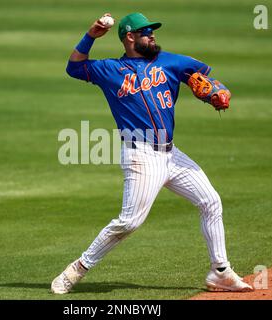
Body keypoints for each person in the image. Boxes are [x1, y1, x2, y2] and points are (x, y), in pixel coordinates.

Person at [51, 12, 253, 294]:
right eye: (146, 32)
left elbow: (203, 78)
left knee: (211, 201)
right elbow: (73, 67)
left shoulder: (170, 61)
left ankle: (220, 271)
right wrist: (91, 36)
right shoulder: (110, 70)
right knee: (129, 222)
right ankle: (78, 268)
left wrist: (213, 93)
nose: (152, 35)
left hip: (172, 155)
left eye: (153, 31)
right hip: (141, 155)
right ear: (130, 37)